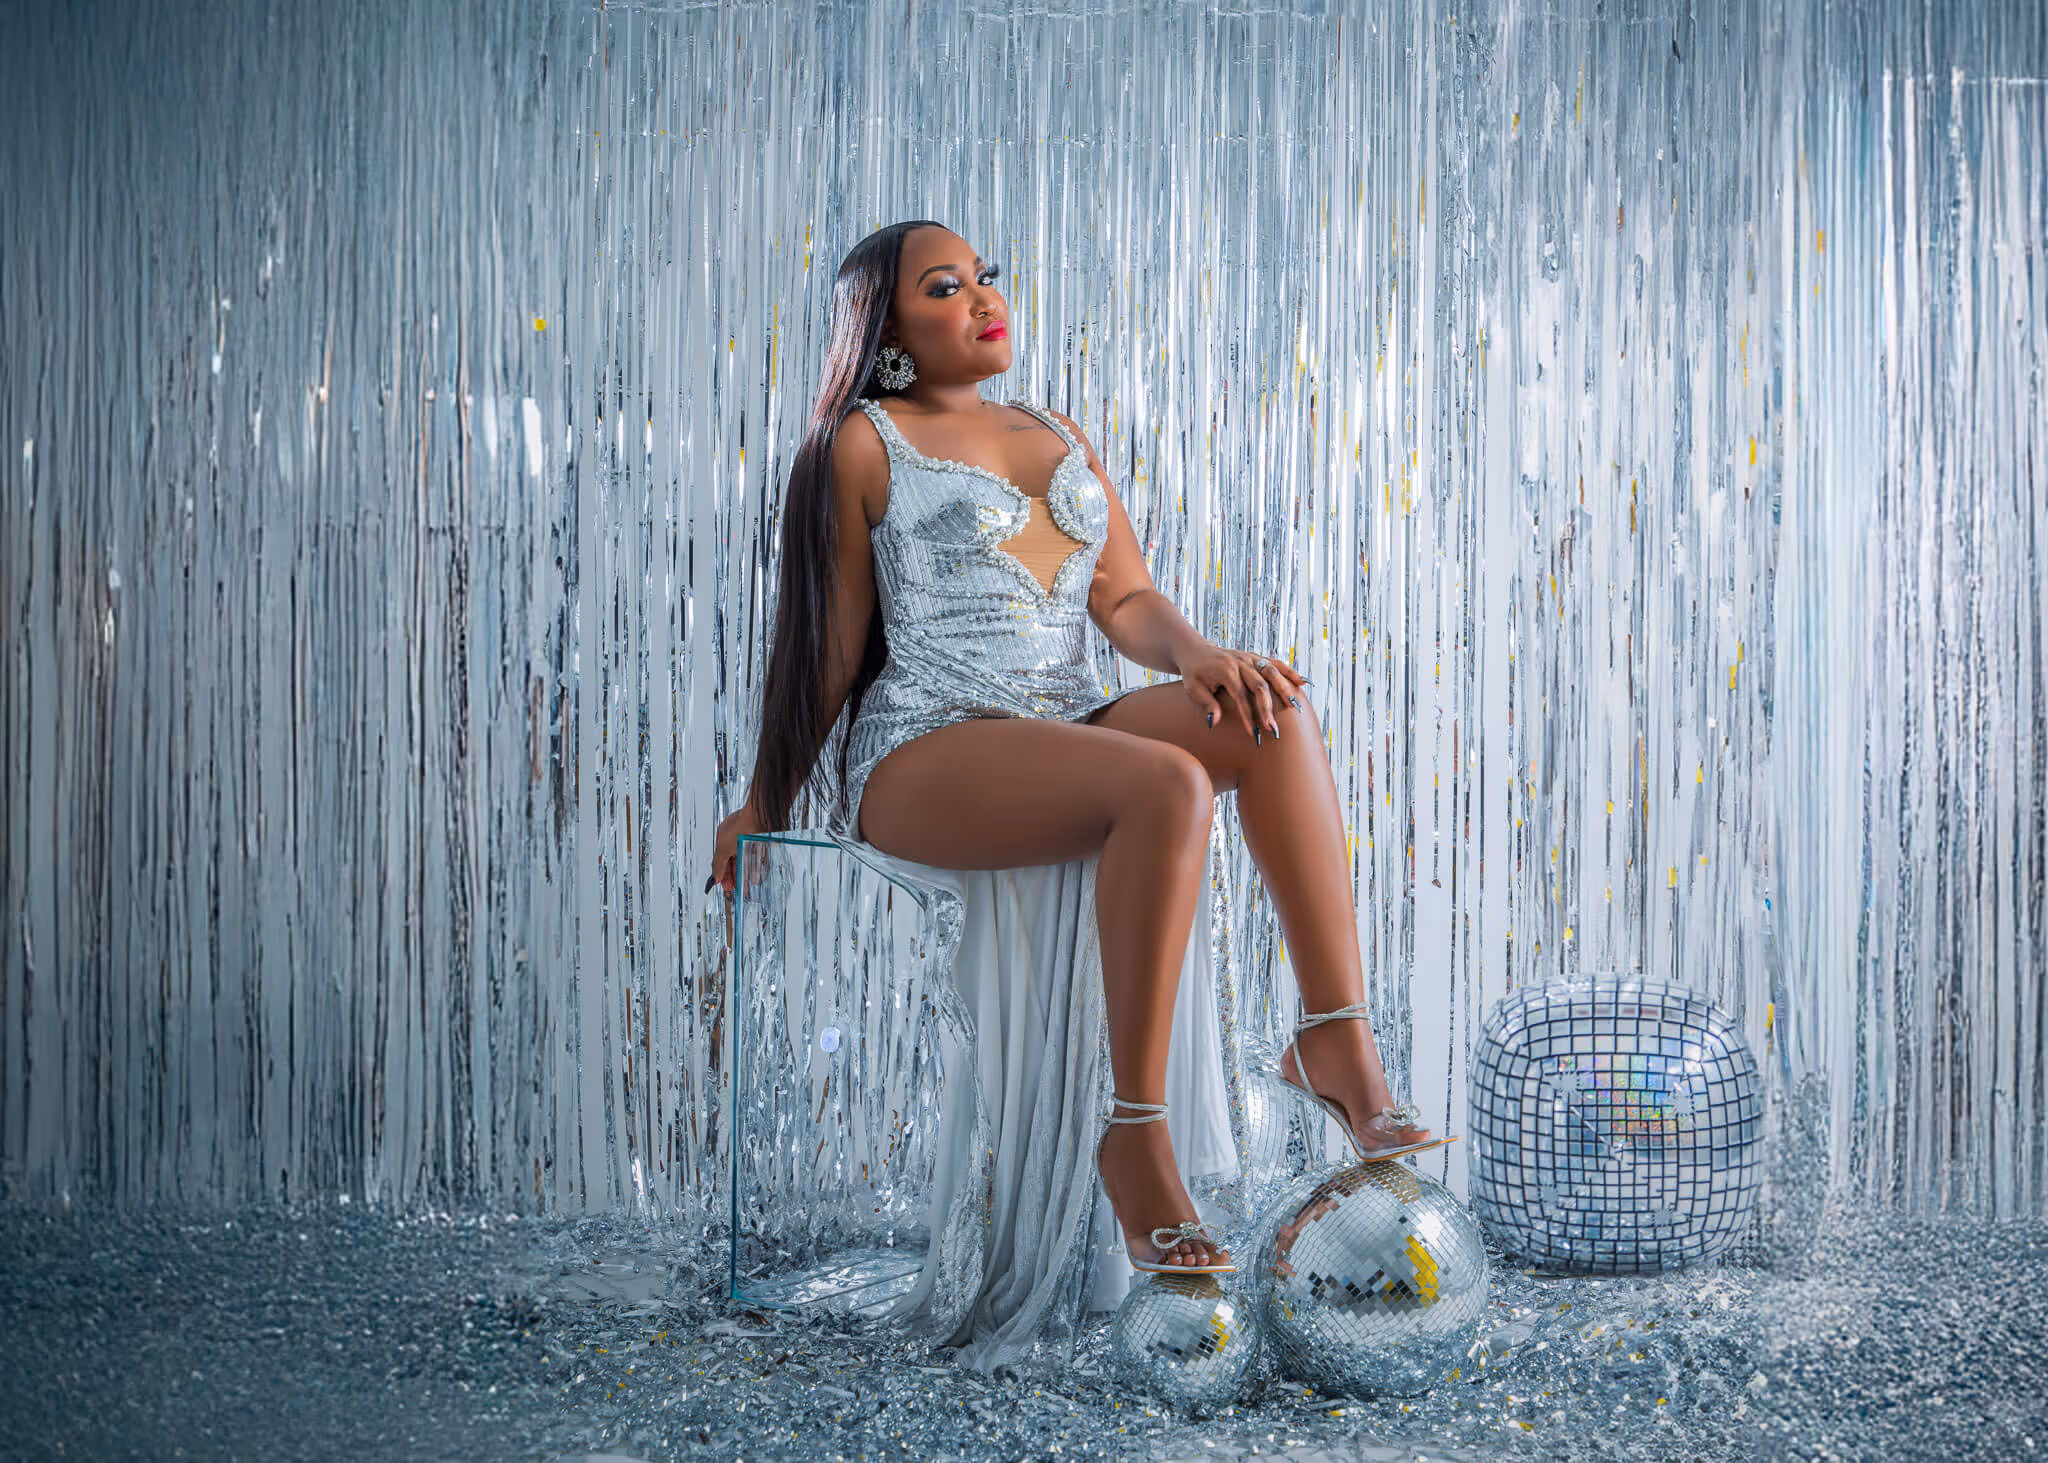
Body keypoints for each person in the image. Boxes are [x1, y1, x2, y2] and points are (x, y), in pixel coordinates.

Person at [706, 217, 1436, 1294]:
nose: (981, 298)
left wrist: (1199, 655)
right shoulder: (864, 443)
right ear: (888, 330)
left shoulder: (1053, 428)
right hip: (928, 743)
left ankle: (1333, 1039)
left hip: (1062, 717)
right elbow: (832, 649)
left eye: (983, 277)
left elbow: (1124, 599)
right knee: (1164, 782)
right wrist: (761, 793)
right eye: (944, 288)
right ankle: (1132, 1135)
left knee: (1269, 715)